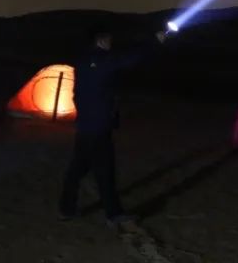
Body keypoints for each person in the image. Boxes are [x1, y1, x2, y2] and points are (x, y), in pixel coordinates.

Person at [59, 27, 167, 224]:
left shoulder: (84, 61)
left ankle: (67, 208)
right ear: (101, 41)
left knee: (78, 167)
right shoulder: (101, 61)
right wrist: (155, 42)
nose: (111, 44)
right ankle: (114, 214)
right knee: (104, 170)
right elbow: (129, 60)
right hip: (98, 125)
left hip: (86, 124)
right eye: (109, 40)